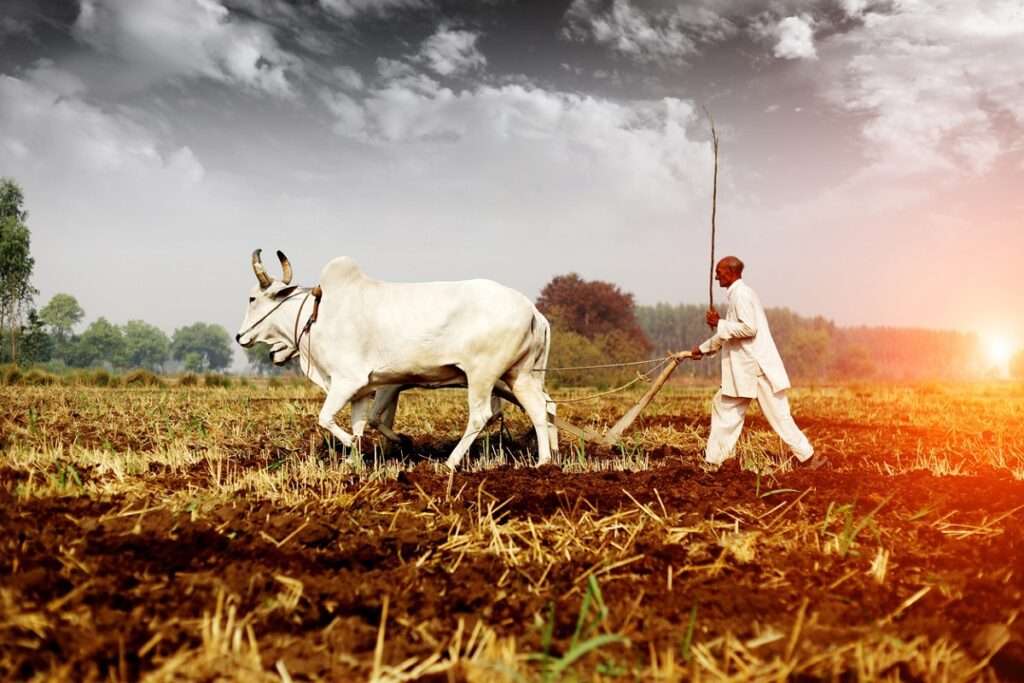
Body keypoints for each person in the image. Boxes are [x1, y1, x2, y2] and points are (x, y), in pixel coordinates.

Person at [688, 256, 825, 469]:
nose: (716, 277)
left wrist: (719, 323)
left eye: (719, 272)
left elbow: (748, 328)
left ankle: (808, 458)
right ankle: (714, 462)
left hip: (756, 369)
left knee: (778, 416)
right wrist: (702, 349)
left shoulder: (741, 295)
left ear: (731, 272)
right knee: (725, 409)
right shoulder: (739, 295)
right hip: (746, 371)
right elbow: (731, 333)